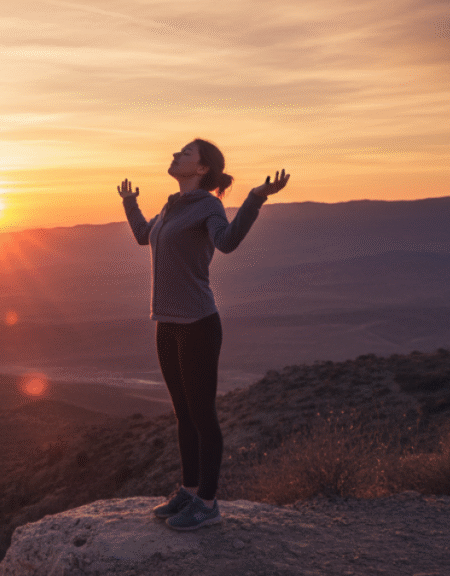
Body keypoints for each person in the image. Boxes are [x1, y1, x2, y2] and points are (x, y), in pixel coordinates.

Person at [117, 139, 289, 531]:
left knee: (202, 414)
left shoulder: (208, 205)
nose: (176, 155)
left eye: (186, 153)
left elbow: (226, 243)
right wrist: (130, 203)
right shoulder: (171, 206)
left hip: (197, 322)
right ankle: (189, 490)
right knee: (182, 413)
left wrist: (254, 198)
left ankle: (208, 502)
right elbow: (145, 236)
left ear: (201, 169)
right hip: (166, 321)